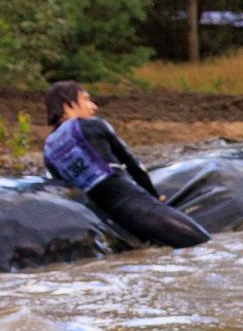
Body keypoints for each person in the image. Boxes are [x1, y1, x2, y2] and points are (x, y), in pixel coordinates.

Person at [42, 81, 210, 248]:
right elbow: (133, 164)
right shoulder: (93, 125)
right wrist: (154, 195)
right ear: (68, 104)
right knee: (203, 243)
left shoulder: (48, 149)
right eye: (86, 100)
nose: (93, 106)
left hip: (109, 222)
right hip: (133, 203)